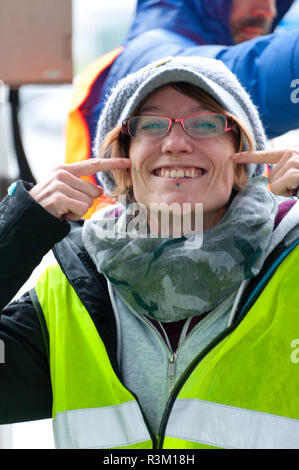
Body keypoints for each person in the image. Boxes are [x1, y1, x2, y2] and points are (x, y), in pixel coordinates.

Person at [1, 56, 299, 449]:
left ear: (243, 155)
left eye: (205, 123)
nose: (176, 143)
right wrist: (18, 230)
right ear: (121, 160)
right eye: (152, 125)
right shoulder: (67, 290)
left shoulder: (291, 259)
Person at [65, 0, 298, 215]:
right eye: (153, 125)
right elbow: (253, 75)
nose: (268, 11)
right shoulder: (149, 52)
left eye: (205, 125)